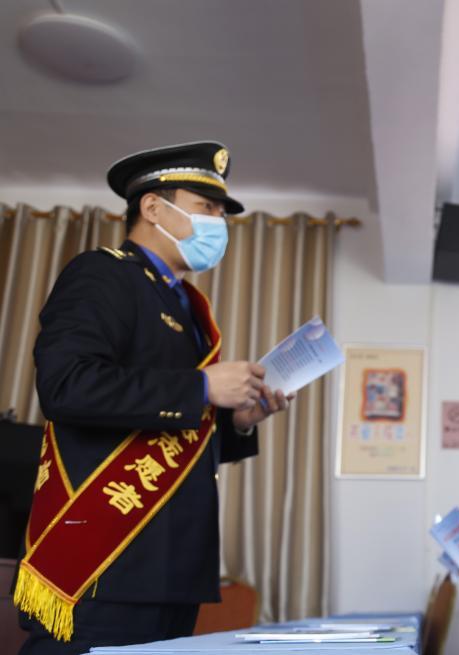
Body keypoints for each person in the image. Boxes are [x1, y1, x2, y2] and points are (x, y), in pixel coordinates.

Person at [15, 142, 292, 654]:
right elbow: (66, 385)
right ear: (152, 207)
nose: (218, 224)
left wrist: (237, 421)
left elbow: (172, 428)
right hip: (103, 556)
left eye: (221, 213)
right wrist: (203, 386)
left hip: (172, 566)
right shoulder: (103, 273)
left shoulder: (186, 305)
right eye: (206, 207)